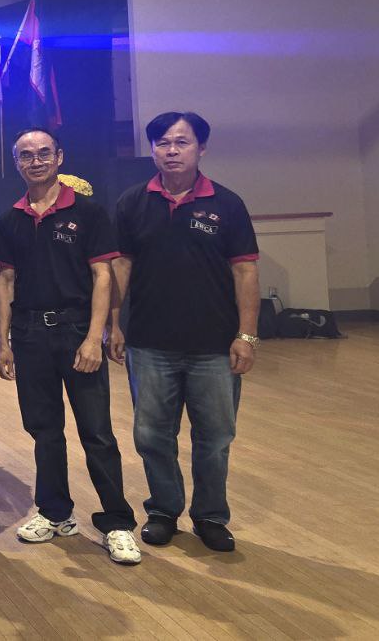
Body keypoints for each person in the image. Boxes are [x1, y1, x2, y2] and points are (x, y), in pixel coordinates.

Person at [110, 111, 260, 553]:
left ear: (201, 148)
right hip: (149, 343)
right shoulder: (133, 202)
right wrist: (113, 323)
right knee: (151, 435)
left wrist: (247, 335)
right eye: (162, 143)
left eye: (181, 142)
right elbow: (121, 266)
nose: (171, 151)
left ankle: (211, 516)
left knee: (214, 438)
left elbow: (246, 272)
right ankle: (163, 510)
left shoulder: (227, 204)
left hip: (214, 345)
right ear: (152, 149)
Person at [0, 129, 141, 566]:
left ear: (59, 157)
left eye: (44, 153)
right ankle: (55, 513)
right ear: (17, 162)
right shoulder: (10, 220)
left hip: (77, 332)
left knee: (97, 433)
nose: (35, 161)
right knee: (44, 430)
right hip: (30, 335)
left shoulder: (89, 214)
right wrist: (4, 343)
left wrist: (95, 337)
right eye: (26, 155)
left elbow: (102, 277)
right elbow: (5, 282)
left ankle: (117, 523)